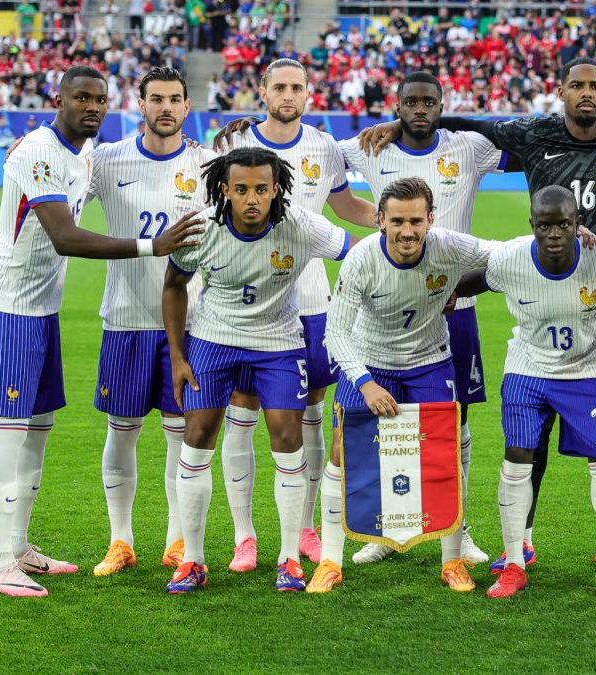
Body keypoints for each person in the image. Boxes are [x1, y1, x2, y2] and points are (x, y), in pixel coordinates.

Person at [359, 57, 596, 572]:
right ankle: (520, 539)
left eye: (595, 86)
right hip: (538, 292)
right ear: (561, 91)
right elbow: (467, 124)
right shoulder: (534, 132)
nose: (586, 94)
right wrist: (405, 122)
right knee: (532, 430)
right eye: (577, 86)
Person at [0, 66, 200, 598]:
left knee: (38, 423)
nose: (92, 106)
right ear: (58, 99)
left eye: (99, 99)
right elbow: (66, 237)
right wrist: (151, 246)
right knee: (9, 424)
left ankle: (19, 544)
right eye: (81, 98)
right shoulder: (38, 151)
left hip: (39, 306)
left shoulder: (80, 155)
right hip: (7, 303)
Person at [331, 70, 522, 566]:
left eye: (429, 102)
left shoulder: (469, 147)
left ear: (442, 104)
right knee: (378, 428)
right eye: (410, 102)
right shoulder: (371, 146)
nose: (420, 109)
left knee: (453, 424)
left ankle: (458, 532)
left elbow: (528, 145)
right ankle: (385, 528)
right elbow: (316, 156)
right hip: (389, 299)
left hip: (455, 302)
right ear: (396, 106)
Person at [456, 186, 596, 600]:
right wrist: (440, 296)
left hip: (588, 371)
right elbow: (469, 283)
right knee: (517, 457)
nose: (554, 234)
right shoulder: (510, 259)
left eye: (564, 225)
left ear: (577, 225)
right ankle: (514, 563)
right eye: (545, 226)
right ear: (532, 225)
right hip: (527, 370)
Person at [161, 147, 354, 594]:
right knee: (196, 440)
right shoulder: (201, 228)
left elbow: (356, 251)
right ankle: (192, 560)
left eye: (262, 189)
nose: (252, 199)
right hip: (213, 340)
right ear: (225, 189)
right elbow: (173, 287)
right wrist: (177, 355)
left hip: (279, 343)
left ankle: (288, 559)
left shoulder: (301, 226)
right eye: (242, 189)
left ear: (277, 189)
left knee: (289, 438)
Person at [211, 59, 376, 569]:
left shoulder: (324, 147)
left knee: (307, 415)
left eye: (297, 87)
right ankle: (244, 534)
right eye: (278, 86)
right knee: (243, 412)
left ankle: (303, 527)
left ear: (309, 93)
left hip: (312, 302)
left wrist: (393, 224)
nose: (288, 94)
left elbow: (345, 207)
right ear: (261, 91)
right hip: (250, 305)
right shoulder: (232, 146)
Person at [305, 177, 499, 595]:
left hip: (430, 362)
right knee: (343, 451)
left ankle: (452, 561)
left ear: (430, 219)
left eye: (415, 220)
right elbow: (335, 334)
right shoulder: (361, 260)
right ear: (380, 221)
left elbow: (506, 253)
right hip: (369, 361)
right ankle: (331, 561)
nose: (407, 231)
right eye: (396, 221)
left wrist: (574, 235)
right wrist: (366, 384)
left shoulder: (449, 246)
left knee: (442, 454)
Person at [83, 67, 215, 576]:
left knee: (182, 435)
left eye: (175, 99)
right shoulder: (107, 160)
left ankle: (177, 539)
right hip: (125, 320)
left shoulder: (209, 163)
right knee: (122, 431)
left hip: (190, 325)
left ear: (187, 107)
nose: (165, 107)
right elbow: (61, 174)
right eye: (156, 98)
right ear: (140, 103)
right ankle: (121, 540)